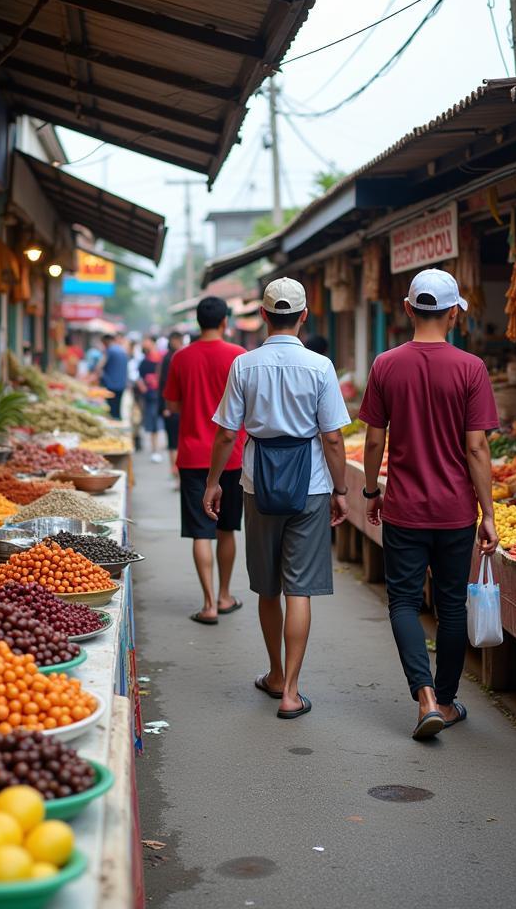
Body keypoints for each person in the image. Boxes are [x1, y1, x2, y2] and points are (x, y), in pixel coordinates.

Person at [358, 268, 499, 741]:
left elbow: (375, 439)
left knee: (402, 600)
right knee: (451, 606)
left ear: (407, 309)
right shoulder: (470, 368)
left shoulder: (385, 364)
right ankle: (446, 698)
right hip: (456, 511)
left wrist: (371, 492)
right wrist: (489, 514)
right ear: (455, 311)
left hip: (403, 509)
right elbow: (477, 448)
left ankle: (423, 695)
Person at [205, 279, 350, 719]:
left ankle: (272, 673)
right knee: (299, 588)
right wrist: (341, 492)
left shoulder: (244, 366)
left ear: (264, 316)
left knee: (268, 587)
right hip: (311, 485)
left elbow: (229, 432)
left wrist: (213, 482)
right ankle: (290, 690)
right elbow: (333, 439)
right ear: (305, 315)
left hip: (257, 483)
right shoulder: (321, 367)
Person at [163, 299, 246, 625]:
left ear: (198, 322)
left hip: (194, 455)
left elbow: (171, 404)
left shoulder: (181, 357)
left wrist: (195, 408)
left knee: (202, 530)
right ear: (225, 321)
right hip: (232, 456)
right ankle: (225, 596)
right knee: (227, 529)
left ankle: (209, 604)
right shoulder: (238, 355)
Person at [159, 331, 184, 486]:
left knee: (174, 443)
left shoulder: (176, 357)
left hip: (175, 406)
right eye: (179, 340)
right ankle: (176, 475)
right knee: (174, 443)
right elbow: (164, 384)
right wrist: (166, 406)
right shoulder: (173, 358)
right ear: (174, 340)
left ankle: (176, 475)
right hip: (173, 406)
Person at [136, 337, 164, 462]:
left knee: (158, 421)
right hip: (150, 395)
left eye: (147, 342)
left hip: (160, 394)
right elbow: (139, 377)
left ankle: (159, 449)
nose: (145, 344)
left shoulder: (161, 358)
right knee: (152, 421)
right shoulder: (143, 361)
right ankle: (155, 449)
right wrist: (142, 386)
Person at [96, 332, 128, 420]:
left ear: (106, 341)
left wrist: (100, 376)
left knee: (111, 411)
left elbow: (99, 366)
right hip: (121, 385)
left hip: (111, 385)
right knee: (117, 409)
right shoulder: (122, 350)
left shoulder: (110, 350)